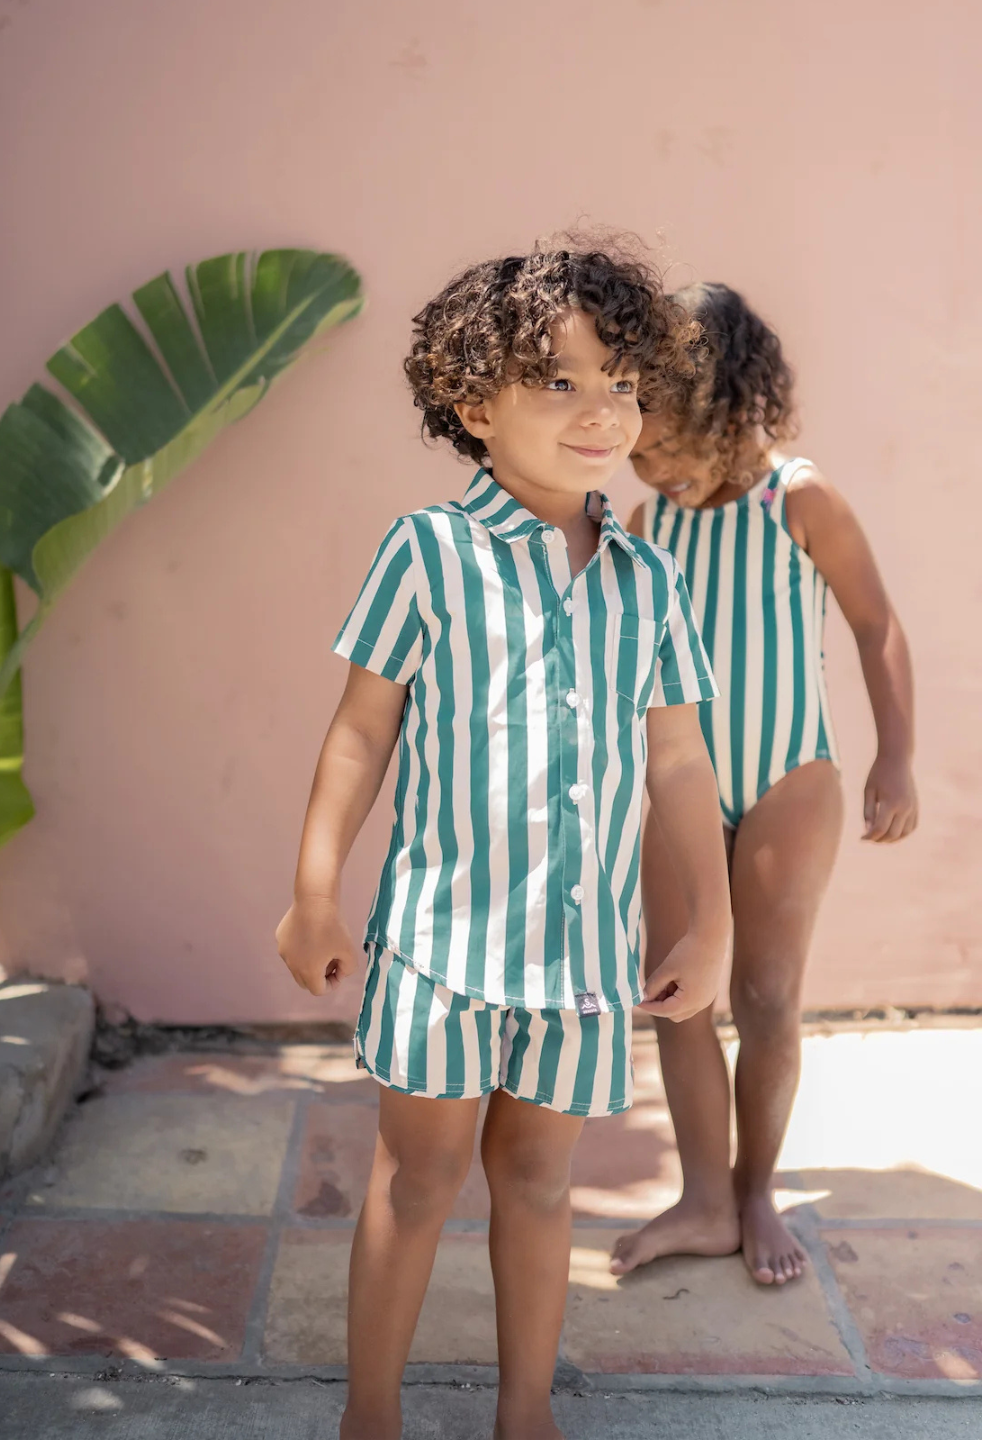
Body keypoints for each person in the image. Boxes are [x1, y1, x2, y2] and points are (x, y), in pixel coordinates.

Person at [276, 240, 733, 1440]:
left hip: (579, 966)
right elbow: (359, 737)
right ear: (476, 407)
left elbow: (681, 761)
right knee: (418, 1180)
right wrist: (313, 891)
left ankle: (524, 1412)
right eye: (561, 383)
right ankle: (370, 1416)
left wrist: (714, 921)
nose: (603, 412)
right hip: (438, 952)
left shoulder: (646, 580)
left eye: (622, 382)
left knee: (538, 1190)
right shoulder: (426, 552)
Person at [612, 282, 919, 1288]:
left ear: (718, 412)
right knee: (679, 995)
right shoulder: (648, 523)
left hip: (791, 777)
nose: (645, 465)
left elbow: (876, 625)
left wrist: (896, 756)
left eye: (659, 445)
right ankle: (703, 1200)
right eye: (637, 450)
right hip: (681, 793)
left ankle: (754, 1189)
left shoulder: (800, 499)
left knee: (769, 995)